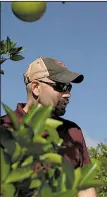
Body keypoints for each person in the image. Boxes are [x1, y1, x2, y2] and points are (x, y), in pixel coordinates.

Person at [0, 57, 97, 197]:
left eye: (69, 87)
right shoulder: (4, 129)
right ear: (36, 88)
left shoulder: (73, 132)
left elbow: (85, 188)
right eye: (60, 86)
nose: (67, 94)